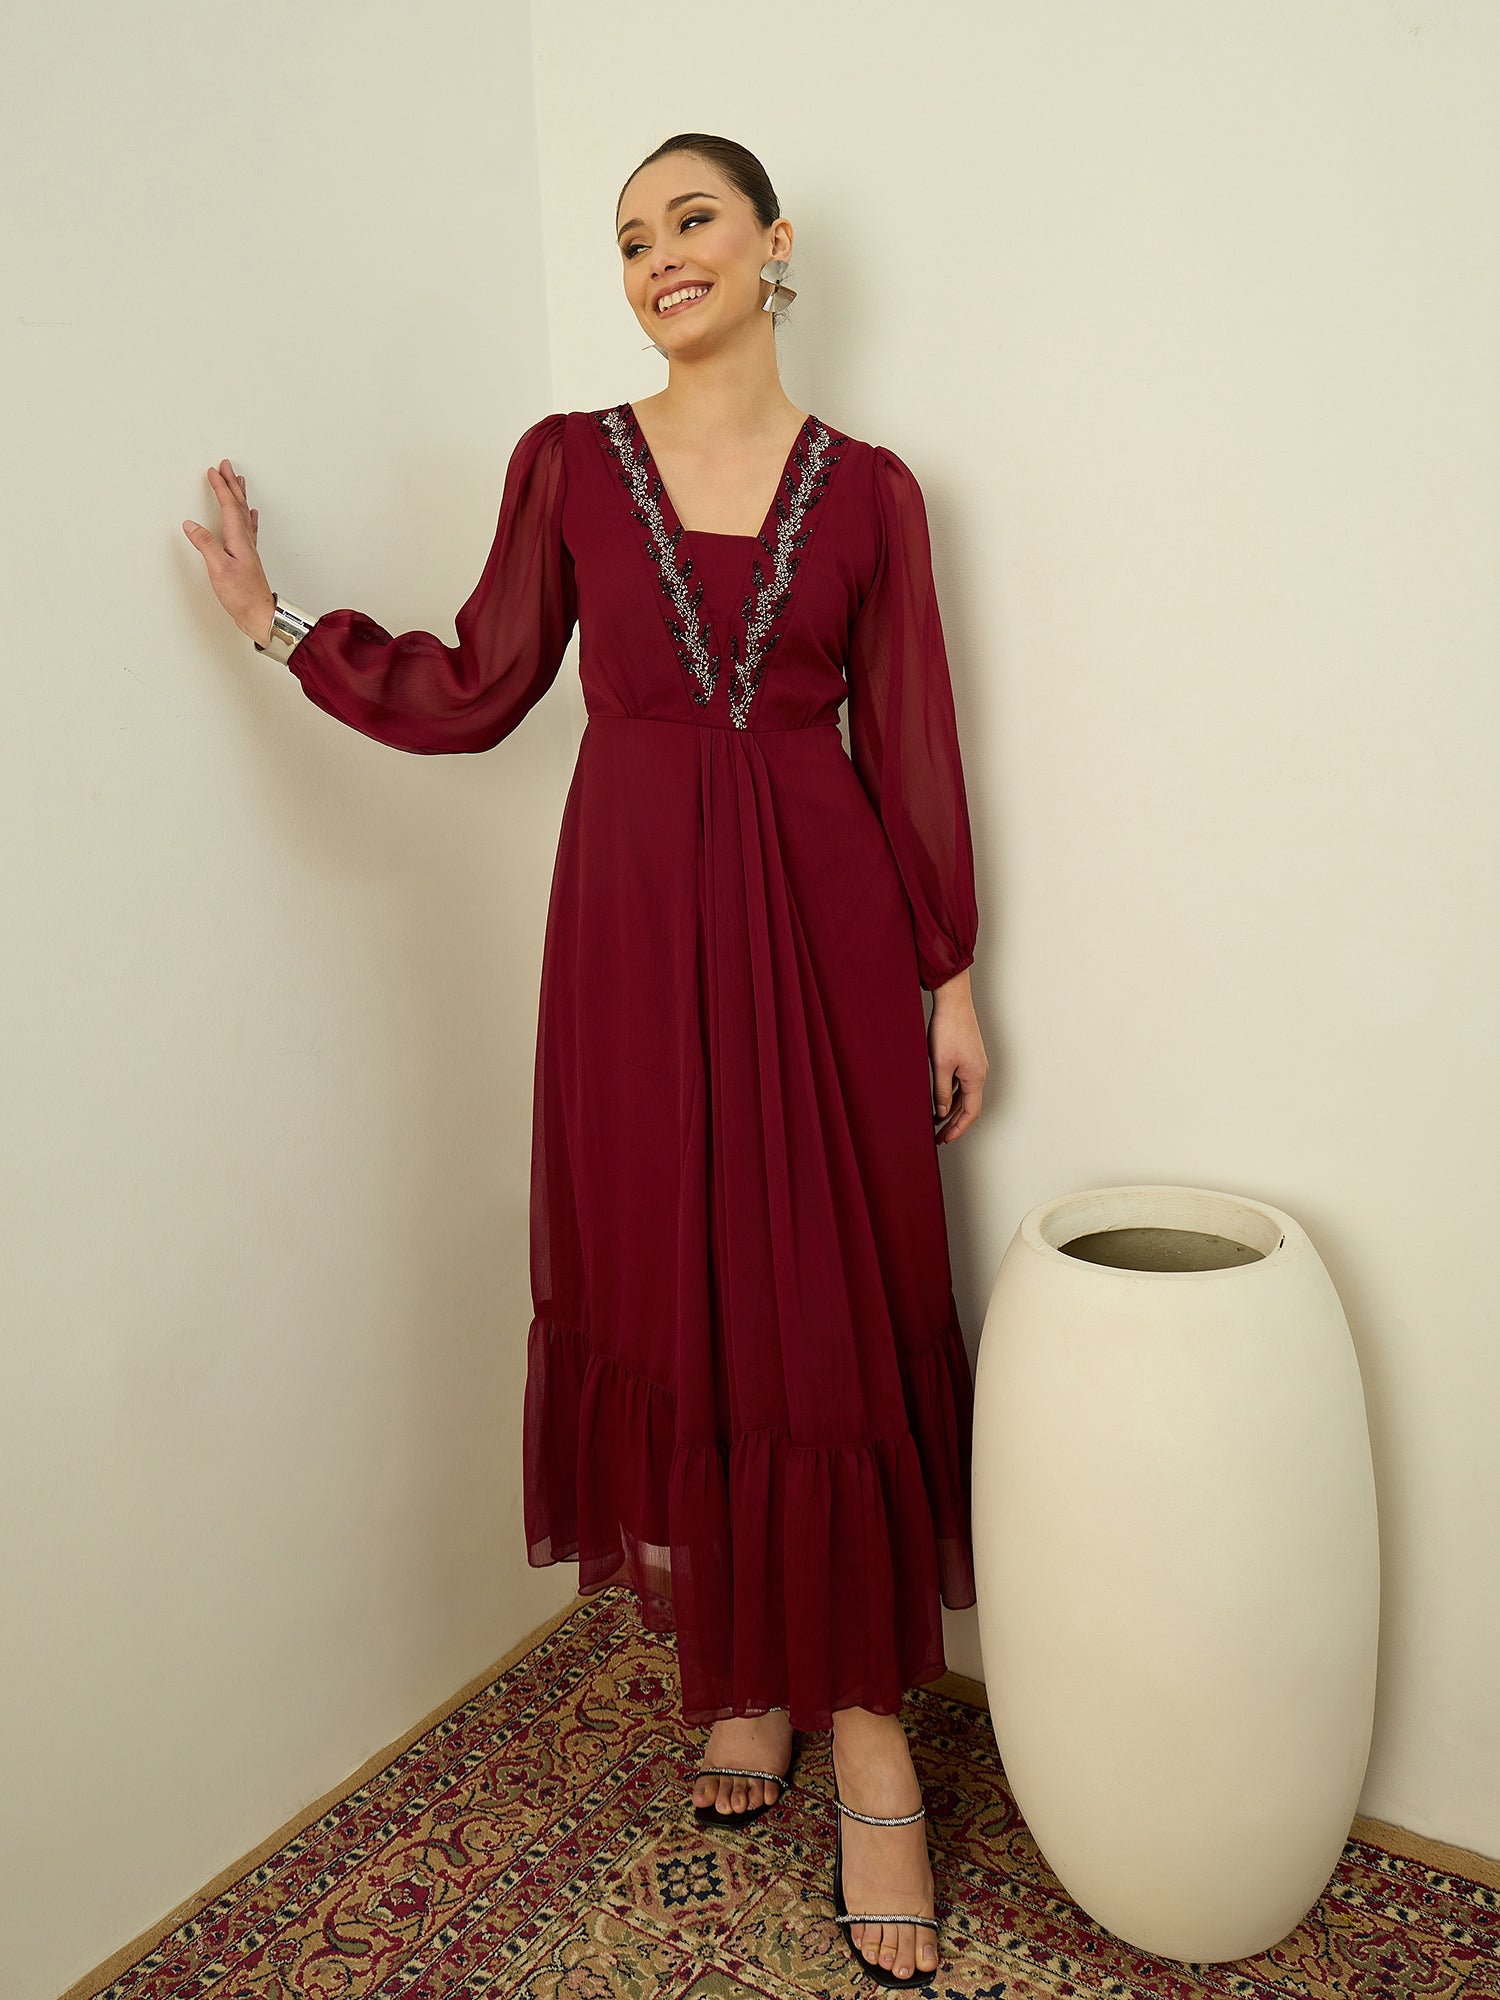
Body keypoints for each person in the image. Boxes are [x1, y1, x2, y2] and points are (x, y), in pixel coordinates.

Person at [182, 129, 988, 1989]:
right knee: (686, 1295)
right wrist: (281, 625)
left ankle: (871, 1733)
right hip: (631, 939)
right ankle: (752, 1678)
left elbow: (914, 734)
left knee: (827, 1304)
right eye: (629, 240)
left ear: (773, 244)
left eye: (691, 220)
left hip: (822, 929)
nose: (658, 258)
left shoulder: (874, 493)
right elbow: (477, 683)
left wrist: (947, 978)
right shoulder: (565, 464)